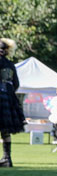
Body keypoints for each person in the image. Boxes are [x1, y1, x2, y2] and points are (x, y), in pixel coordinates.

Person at [0, 38, 25, 168]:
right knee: (5, 130)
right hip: (9, 97)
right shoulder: (10, 64)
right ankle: (7, 158)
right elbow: (16, 84)